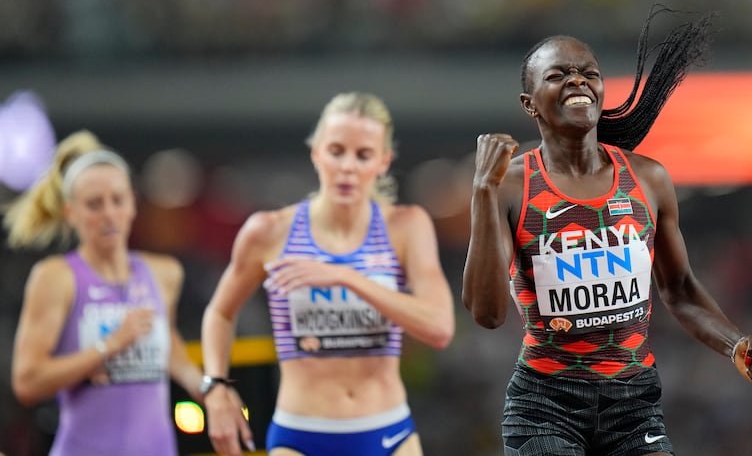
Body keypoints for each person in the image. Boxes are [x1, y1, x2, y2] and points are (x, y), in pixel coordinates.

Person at [462, 6, 752, 456]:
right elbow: (488, 313)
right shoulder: (510, 186)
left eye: (587, 73)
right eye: (558, 75)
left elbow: (681, 290)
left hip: (634, 402)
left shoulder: (649, 179)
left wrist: (735, 344)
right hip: (545, 402)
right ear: (529, 103)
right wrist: (482, 190)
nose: (576, 81)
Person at [201, 91, 455, 456]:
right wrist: (217, 387)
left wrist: (345, 277)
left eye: (363, 154)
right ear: (316, 152)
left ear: (383, 161)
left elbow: (439, 327)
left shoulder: (406, 226)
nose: (347, 166)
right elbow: (220, 312)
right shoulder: (269, 231)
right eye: (336, 151)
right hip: (301, 434)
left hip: (387, 432)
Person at [4, 130, 208, 456]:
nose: (109, 214)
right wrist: (108, 346)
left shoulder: (164, 273)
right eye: (94, 205)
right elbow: (27, 383)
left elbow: (166, 342)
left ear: (132, 204)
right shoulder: (57, 277)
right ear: (71, 212)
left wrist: (207, 388)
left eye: (118, 200)